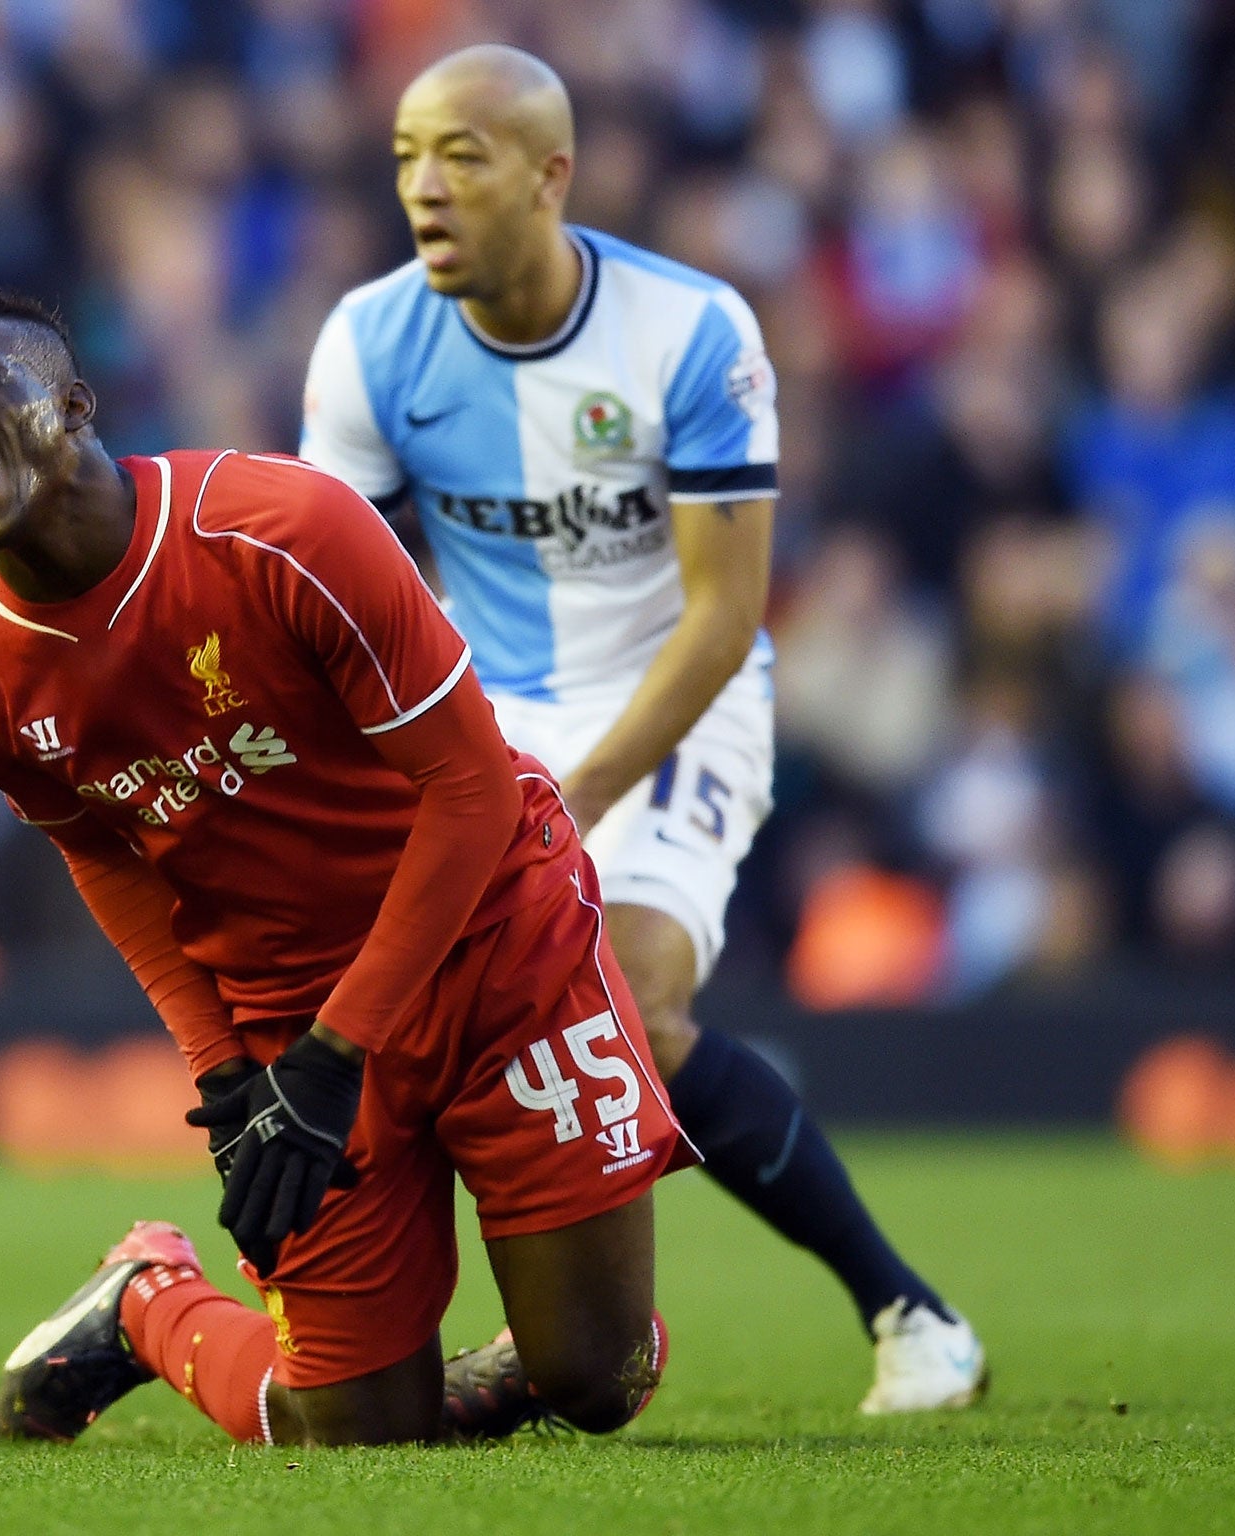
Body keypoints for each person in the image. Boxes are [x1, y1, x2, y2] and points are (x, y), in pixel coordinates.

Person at [298, 44, 986, 1414]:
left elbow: (726, 614)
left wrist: (581, 790)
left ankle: (912, 1313)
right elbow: (344, 609)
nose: (424, 190)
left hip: (676, 700)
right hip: (485, 723)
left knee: (639, 1007)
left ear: (553, 177)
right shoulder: (370, 342)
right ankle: (508, 1346)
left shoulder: (690, 331)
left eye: (463, 158)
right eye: (405, 161)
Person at [0, 274, 693, 1447]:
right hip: (291, 1005)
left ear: (70, 406)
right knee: (355, 1433)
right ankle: (145, 1304)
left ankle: (561, 1323)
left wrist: (339, 1053)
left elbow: (470, 791)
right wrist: (226, 1073)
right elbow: (109, 862)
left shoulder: (280, 530)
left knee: (595, 1378)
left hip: (492, 941)